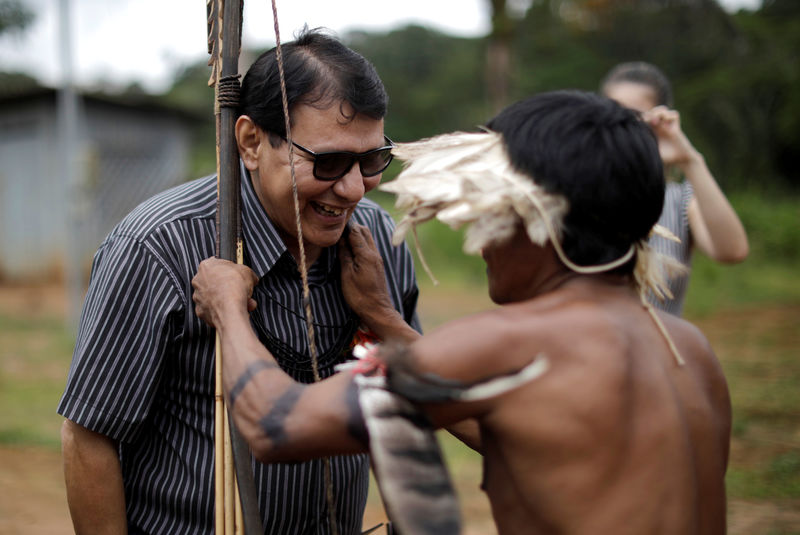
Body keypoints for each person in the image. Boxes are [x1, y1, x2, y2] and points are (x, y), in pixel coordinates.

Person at [192, 91, 732, 534]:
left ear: (531, 217)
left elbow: (276, 424)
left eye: (488, 217)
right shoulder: (687, 347)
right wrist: (384, 319)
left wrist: (229, 308)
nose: (480, 245)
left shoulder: (511, 344)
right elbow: (507, 421)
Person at [57, 28, 421, 534]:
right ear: (251, 141)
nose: (354, 187)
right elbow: (89, 435)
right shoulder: (160, 246)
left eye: (371, 160)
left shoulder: (377, 240)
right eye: (329, 161)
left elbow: (400, 402)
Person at [600, 61, 749, 315]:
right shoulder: (576, 192)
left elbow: (731, 251)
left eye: (634, 117)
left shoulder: (678, 199)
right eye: (612, 112)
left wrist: (689, 160)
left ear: (658, 120)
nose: (621, 127)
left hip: (660, 351)